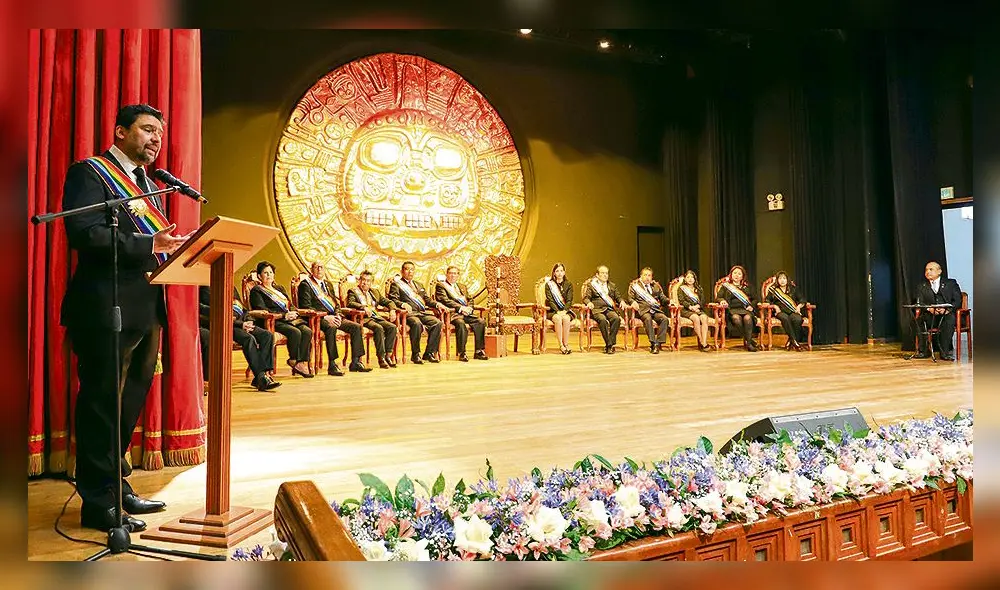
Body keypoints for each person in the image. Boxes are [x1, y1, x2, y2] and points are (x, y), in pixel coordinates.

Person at [60, 104, 192, 531]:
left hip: (145, 303)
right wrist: (149, 243)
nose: (156, 139)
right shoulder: (91, 173)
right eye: (147, 130)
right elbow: (85, 233)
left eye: (160, 133)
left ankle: (117, 486)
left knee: (130, 398)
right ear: (120, 132)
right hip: (104, 306)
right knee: (102, 402)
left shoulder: (147, 184)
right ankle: (98, 503)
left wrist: (169, 246)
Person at [199, 286, 281, 391]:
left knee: (267, 335)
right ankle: (261, 377)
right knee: (248, 339)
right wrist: (241, 324)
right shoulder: (204, 288)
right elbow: (210, 312)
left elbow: (243, 309)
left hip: (242, 322)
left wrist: (249, 320)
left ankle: (262, 375)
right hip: (225, 325)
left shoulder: (231, 286)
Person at [297, 262, 370, 375]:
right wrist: (326, 317)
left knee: (356, 327)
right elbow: (305, 306)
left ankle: (355, 362)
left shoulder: (328, 284)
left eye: (322, 267)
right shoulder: (305, 285)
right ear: (311, 270)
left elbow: (336, 304)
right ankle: (332, 364)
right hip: (317, 319)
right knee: (331, 328)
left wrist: (337, 315)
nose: (320, 269)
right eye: (317, 267)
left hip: (333, 316)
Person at [249, 261, 314, 377]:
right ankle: (293, 360)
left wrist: (294, 312)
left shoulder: (279, 288)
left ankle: (301, 362)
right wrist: (284, 315)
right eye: (265, 273)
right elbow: (262, 310)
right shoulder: (257, 290)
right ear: (259, 276)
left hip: (289, 319)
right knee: (295, 332)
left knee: (307, 331)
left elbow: (290, 304)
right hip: (273, 321)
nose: (269, 275)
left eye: (271, 272)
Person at [388, 261, 445, 364]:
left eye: (412, 269)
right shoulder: (396, 285)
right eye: (407, 269)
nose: (410, 272)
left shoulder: (419, 285)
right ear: (402, 271)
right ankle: (415, 354)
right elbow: (393, 300)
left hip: (421, 313)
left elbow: (427, 300)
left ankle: (429, 353)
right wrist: (402, 304)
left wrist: (437, 304)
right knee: (416, 323)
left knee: (438, 323)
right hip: (407, 315)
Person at [346, 270, 398, 369]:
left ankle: (388, 355)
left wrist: (392, 310)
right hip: (363, 319)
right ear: (359, 280)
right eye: (363, 280)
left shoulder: (375, 292)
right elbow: (350, 303)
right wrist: (363, 307)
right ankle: (381, 358)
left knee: (392, 327)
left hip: (375, 317)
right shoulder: (353, 291)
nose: (365, 283)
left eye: (368, 281)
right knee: (378, 328)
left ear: (371, 283)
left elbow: (388, 302)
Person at [435, 265, 488, 361]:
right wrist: (460, 308)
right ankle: (462, 352)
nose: (452, 275)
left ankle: (479, 351)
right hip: (453, 314)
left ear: (458, 275)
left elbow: (470, 299)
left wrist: (470, 309)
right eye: (450, 273)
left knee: (481, 322)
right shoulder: (441, 286)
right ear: (446, 274)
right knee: (460, 323)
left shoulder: (462, 286)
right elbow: (445, 301)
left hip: (466, 313)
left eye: (455, 273)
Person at [914, 261, 963, 361]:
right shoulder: (922, 286)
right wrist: (929, 309)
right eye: (926, 270)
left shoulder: (951, 283)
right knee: (918, 321)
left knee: (949, 320)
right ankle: (924, 351)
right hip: (931, 315)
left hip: (946, 314)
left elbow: (958, 300)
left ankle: (944, 352)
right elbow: (919, 303)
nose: (928, 272)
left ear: (939, 271)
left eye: (931, 269)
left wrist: (947, 309)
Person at [627, 267, 671, 354]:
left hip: (655, 310)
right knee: (648, 319)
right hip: (643, 311)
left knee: (664, 319)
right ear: (641, 276)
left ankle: (658, 343)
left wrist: (670, 301)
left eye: (649, 275)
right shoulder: (635, 286)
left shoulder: (655, 286)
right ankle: (652, 342)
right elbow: (630, 298)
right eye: (645, 275)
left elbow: (662, 298)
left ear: (651, 277)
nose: (647, 277)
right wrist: (633, 302)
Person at [582, 265, 624, 354]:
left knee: (616, 318)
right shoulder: (592, 285)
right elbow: (586, 298)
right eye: (602, 273)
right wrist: (589, 303)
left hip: (609, 309)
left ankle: (610, 344)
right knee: (602, 320)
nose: (605, 275)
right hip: (597, 310)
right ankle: (609, 345)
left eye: (606, 273)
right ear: (597, 275)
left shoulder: (612, 285)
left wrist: (622, 301)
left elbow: (618, 297)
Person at [717, 265, 760, 352]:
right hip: (732, 310)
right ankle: (749, 341)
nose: (736, 275)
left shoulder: (747, 287)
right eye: (735, 273)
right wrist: (722, 301)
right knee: (736, 318)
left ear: (743, 276)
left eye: (739, 274)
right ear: (731, 275)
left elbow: (755, 299)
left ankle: (748, 343)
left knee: (748, 318)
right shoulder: (726, 286)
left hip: (746, 309)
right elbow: (718, 297)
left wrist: (751, 306)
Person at [766, 271, 807, 352]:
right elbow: (767, 301)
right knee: (785, 318)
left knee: (798, 319)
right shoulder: (773, 290)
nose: (782, 280)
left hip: (792, 311)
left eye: (784, 278)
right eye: (780, 278)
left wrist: (799, 306)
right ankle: (796, 343)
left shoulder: (793, 289)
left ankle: (791, 341)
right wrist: (775, 306)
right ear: (777, 280)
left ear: (787, 280)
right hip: (780, 312)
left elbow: (802, 299)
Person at [676, 270, 712, 352]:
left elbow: (703, 300)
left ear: (695, 279)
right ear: (685, 279)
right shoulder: (681, 289)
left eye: (692, 277)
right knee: (696, 318)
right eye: (688, 277)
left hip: (698, 309)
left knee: (704, 318)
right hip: (686, 310)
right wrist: (690, 307)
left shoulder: (699, 288)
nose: (690, 279)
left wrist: (698, 306)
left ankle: (704, 341)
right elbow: (681, 300)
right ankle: (702, 342)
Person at [544, 263, 575, 355]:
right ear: (554, 273)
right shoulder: (549, 285)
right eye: (557, 271)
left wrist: (564, 311)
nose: (559, 273)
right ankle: (561, 345)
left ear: (564, 272)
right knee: (557, 318)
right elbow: (550, 300)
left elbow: (569, 300)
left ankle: (566, 344)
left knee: (565, 318)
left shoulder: (569, 284)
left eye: (561, 271)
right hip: (552, 311)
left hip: (566, 310)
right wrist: (558, 311)